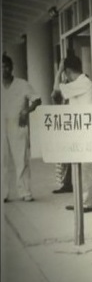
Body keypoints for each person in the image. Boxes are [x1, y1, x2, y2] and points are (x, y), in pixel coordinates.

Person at [52, 55, 92, 212]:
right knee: (78, 167)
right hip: (78, 130)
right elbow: (56, 97)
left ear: (68, 71)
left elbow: (56, 90)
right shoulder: (78, 84)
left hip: (85, 131)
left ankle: (89, 202)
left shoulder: (83, 82)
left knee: (85, 168)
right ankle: (81, 201)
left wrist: (59, 71)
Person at [2, 54, 41, 202]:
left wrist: (26, 111)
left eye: (6, 66)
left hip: (17, 124)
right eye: (1, 67)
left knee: (21, 159)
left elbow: (37, 100)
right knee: (2, 160)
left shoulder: (22, 84)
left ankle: (24, 191)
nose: (4, 70)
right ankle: (3, 193)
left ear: (11, 68)